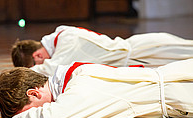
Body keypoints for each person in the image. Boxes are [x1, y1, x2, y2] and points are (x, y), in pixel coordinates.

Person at [0, 59, 193, 118]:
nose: (30, 115)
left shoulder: (79, 85)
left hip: (183, 91)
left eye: (26, 111)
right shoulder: (71, 75)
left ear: (34, 93)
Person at [11, 25, 193, 76]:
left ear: (37, 55)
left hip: (147, 50)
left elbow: (52, 68)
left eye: (36, 64)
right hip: (139, 58)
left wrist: (19, 74)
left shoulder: (67, 39)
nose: (41, 65)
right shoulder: (61, 40)